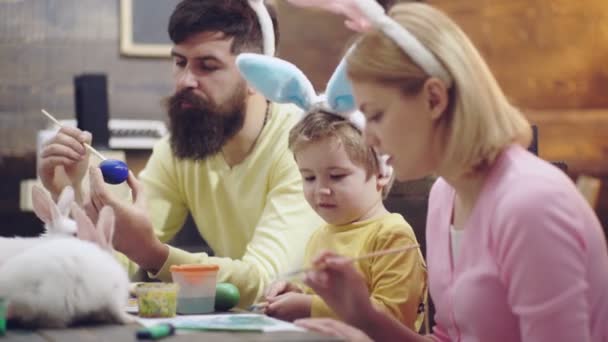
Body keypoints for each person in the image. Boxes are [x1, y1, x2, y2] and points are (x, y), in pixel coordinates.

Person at [285, 1, 608, 341]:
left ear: (434, 99)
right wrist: (365, 318)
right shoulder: (445, 196)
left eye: (376, 115)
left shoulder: (531, 206)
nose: (369, 138)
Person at [37, 0, 322, 307]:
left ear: (259, 76)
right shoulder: (180, 148)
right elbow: (118, 261)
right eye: (180, 62)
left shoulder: (306, 146)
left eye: (207, 66)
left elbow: (265, 282)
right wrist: (73, 193)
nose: (186, 80)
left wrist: (152, 253)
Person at [261, 110, 427, 329]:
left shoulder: (392, 235)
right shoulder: (320, 236)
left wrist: (309, 306)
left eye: (337, 176)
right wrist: (296, 294)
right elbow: (323, 302)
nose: (321, 190)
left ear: (381, 173)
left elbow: (394, 318)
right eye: (309, 177)